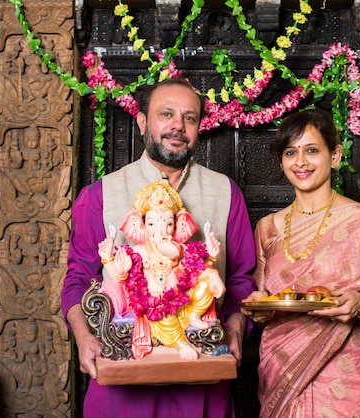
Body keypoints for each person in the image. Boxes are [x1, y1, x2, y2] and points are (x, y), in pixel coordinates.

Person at [61, 76, 257, 418]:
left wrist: (237, 328)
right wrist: (83, 335)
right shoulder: (100, 195)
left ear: (198, 127)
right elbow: (77, 279)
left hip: (201, 375)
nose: (178, 126)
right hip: (123, 377)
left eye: (190, 118)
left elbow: (241, 280)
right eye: (166, 114)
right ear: (141, 122)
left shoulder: (226, 193)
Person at [241, 109, 360, 417]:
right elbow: (266, 297)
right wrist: (258, 307)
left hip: (345, 377)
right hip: (283, 369)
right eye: (291, 152)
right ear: (282, 162)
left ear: (335, 156)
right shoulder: (267, 228)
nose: (301, 162)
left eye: (312, 150)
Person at [97, 180, 226, 360]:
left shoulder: (179, 248)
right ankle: (181, 343)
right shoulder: (139, 251)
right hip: (156, 306)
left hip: (183, 303)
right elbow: (119, 279)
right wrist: (109, 259)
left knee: (205, 284)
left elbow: (196, 269)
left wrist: (211, 265)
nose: (161, 230)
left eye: (168, 224)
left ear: (177, 224)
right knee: (161, 314)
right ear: (141, 225)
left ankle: (194, 316)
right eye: (152, 224)